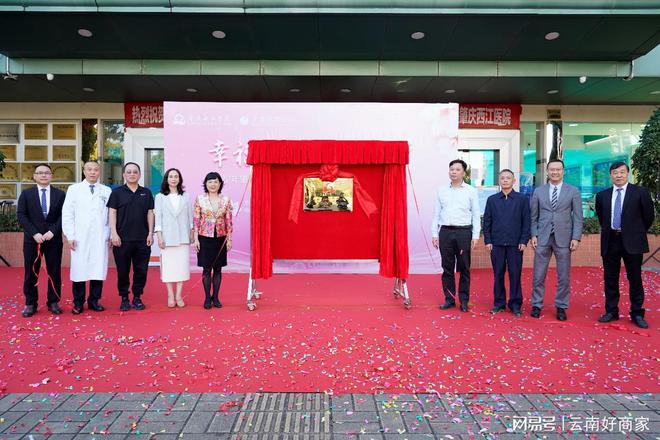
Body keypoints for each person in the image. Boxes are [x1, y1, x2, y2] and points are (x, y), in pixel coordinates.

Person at [595, 161, 654, 329]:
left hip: (633, 241)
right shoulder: (602, 196)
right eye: (615, 173)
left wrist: (634, 231)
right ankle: (611, 311)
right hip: (610, 240)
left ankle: (637, 313)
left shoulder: (640, 192)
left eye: (621, 172)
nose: (618, 175)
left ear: (627, 173)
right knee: (610, 278)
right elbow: (602, 218)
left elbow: (648, 217)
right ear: (611, 175)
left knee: (635, 278)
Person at [530, 159, 583, 321]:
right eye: (552, 170)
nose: (555, 172)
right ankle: (536, 305)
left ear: (563, 171)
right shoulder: (539, 191)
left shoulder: (573, 191)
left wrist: (576, 237)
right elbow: (533, 216)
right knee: (538, 275)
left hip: (564, 238)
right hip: (542, 237)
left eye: (558, 169)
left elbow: (578, 217)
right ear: (547, 172)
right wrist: (533, 234)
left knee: (563, 276)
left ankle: (561, 306)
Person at [62, 160, 112, 314]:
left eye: (96, 170)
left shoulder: (106, 191)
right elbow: (67, 213)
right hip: (80, 236)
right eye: (89, 169)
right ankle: (78, 303)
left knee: (98, 269)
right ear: (84, 171)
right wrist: (70, 235)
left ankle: (94, 301)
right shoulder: (74, 189)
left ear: (99, 172)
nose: (93, 172)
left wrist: (109, 234)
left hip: (99, 236)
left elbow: (110, 215)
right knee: (79, 270)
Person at [16, 163, 66, 317]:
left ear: (51, 176)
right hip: (33, 240)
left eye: (47, 173)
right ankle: (30, 303)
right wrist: (34, 233)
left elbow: (64, 215)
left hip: (53, 239)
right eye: (40, 173)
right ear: (34, 176)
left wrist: (53, 231)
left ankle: (53, 302)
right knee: (31, 271)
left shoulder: (60, 194)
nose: (44, 175)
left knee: (54, 271)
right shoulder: (26, 194)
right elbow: (21, 215)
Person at [431, 159, 481, 312]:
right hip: (445, 231)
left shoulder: (471, 191)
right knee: (447, 268)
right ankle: (449, 299)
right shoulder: (441, 190)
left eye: (457, 169)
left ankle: (464, 300)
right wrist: (435, 233)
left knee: (464, 267)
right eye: (451, 169)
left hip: (463, 232)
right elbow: (436, 213)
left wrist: (475, 235)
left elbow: (476, 214)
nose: (453, 172)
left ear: (463, 173)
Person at [107, 162, 154, 312]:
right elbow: (112, 213)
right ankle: (124, 298)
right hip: (122, 240)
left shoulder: (146, 193)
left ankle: (137, 297)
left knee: (141, 270)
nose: (132, 174)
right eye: (129, 172)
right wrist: (113, 233)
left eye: (135, 172)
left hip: (142, 239)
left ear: (139, 175)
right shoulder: (117, 193)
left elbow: (150, 213)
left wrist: (150, 233)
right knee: (123, 271)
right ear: (124, 175)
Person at [483, 169, 531, 317]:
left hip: (515, 244)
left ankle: (515, 304)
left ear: (513, 181)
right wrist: (488, 240)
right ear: (499, 180)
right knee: (498, 274)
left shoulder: (522, 199)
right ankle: (499, 303)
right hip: (496, 244)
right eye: (502, 178)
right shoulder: (492, 200)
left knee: (515, 275)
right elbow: (487, 221)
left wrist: (524, 240)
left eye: (508, 178)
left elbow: (526, 221)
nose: (505, 180)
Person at [193, 172, 233, 309]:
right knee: (206, 269)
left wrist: (229, 239)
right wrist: (195, 239)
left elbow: (229, 220)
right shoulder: (200, 199)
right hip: (204, 238)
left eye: (215, 181)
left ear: (220, 183)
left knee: (218, 269)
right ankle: (206, 298)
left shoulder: (226, 200)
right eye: (210, 182)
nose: (213, 184)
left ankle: (215, 297)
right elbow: (196, 220)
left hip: (220, 238)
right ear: (206, 184)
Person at [154, 168, 193, 308]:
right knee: (169, 268)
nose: (173, 179)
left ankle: (179, 295)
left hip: (183, 237)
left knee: (181, 267)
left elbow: (190, 218)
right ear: (166, 179)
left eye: (176, 176)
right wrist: (159, 237)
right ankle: (170, 294)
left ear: (179, 179)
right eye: (171, 176)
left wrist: (192, 233)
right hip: (167, 237)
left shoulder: (186, 196)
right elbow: (158, 218)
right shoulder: (160, 197)